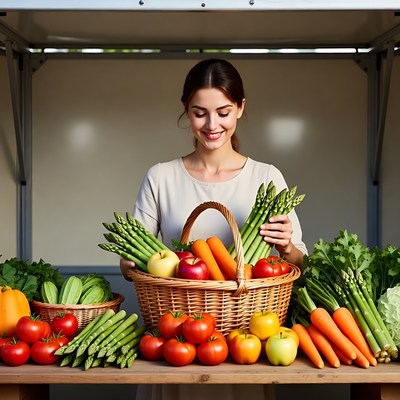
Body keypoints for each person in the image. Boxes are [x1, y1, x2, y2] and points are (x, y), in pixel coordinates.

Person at [120, 58, 307, 400]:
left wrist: (287, 248)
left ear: (240, 108)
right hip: (176, 342)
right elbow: (132, 266)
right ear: (185, 110)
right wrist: (129, 262)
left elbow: (301, 262)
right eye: (199, 112)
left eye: (223, 111)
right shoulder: (160, 177)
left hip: (243, 346)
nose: (211, 124)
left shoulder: (266, 177)